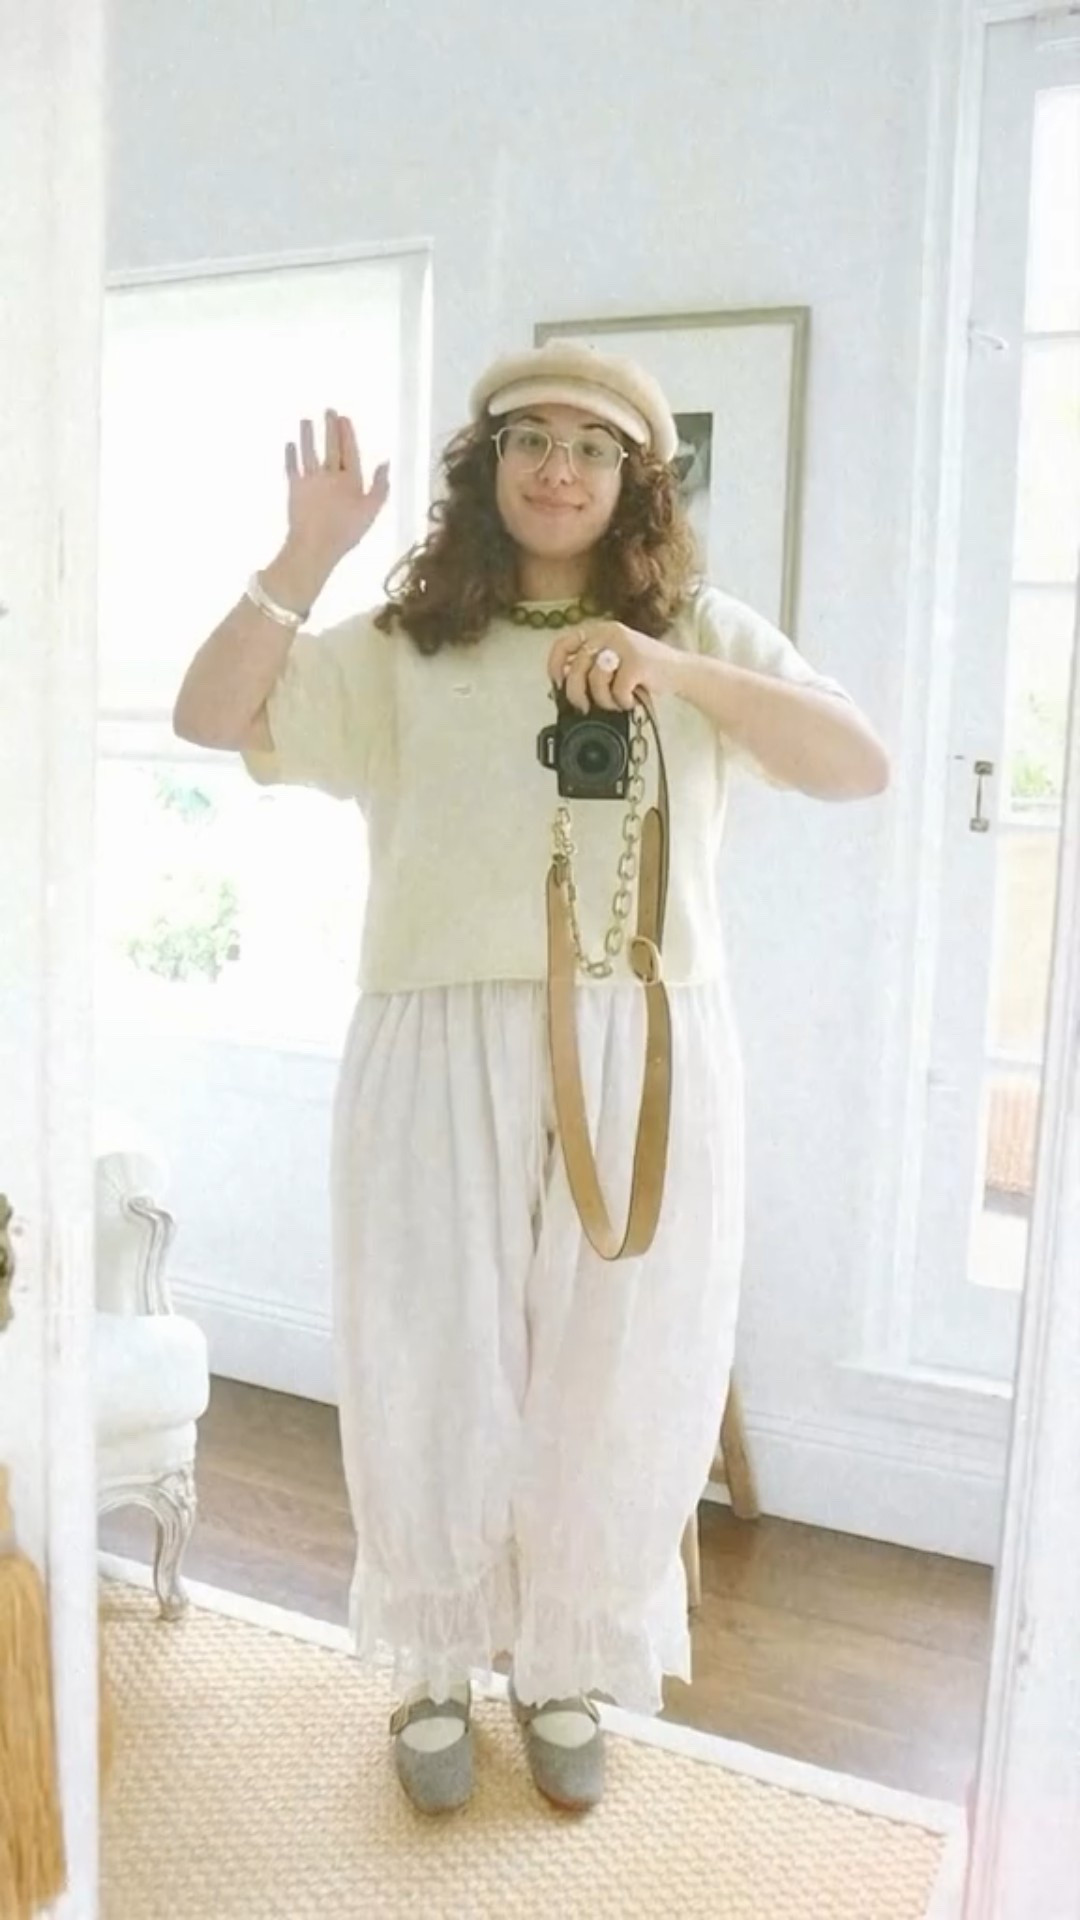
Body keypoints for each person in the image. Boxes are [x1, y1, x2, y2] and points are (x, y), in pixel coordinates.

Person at [172, 339, 889, 1818]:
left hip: (647, 1040)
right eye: (530, 439)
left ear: (636, 480)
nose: (559, 467)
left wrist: (673, 666)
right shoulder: (407, 642)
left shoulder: (695, 628)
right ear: (487, 468)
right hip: (436, 1038)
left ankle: (561, 1661)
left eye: (593, 446)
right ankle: (432, 1661)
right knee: (432, 1343)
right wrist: (307, 552)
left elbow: (856, 763)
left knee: (621, 1353)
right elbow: (208, 716)